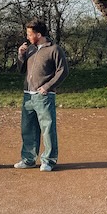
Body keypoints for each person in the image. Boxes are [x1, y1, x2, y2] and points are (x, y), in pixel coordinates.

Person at [14, 18, 69, 172]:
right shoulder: (30, 49)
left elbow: (63, 71)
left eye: (29, 34)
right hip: (28, 96)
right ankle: (28, 159)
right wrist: (20, 55)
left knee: (47, 129)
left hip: (44, 96)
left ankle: (49, 161)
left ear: (38, 34)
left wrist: (47, 86)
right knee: (28, 129)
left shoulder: (54, 49)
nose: (27, 37)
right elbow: (21, 69)